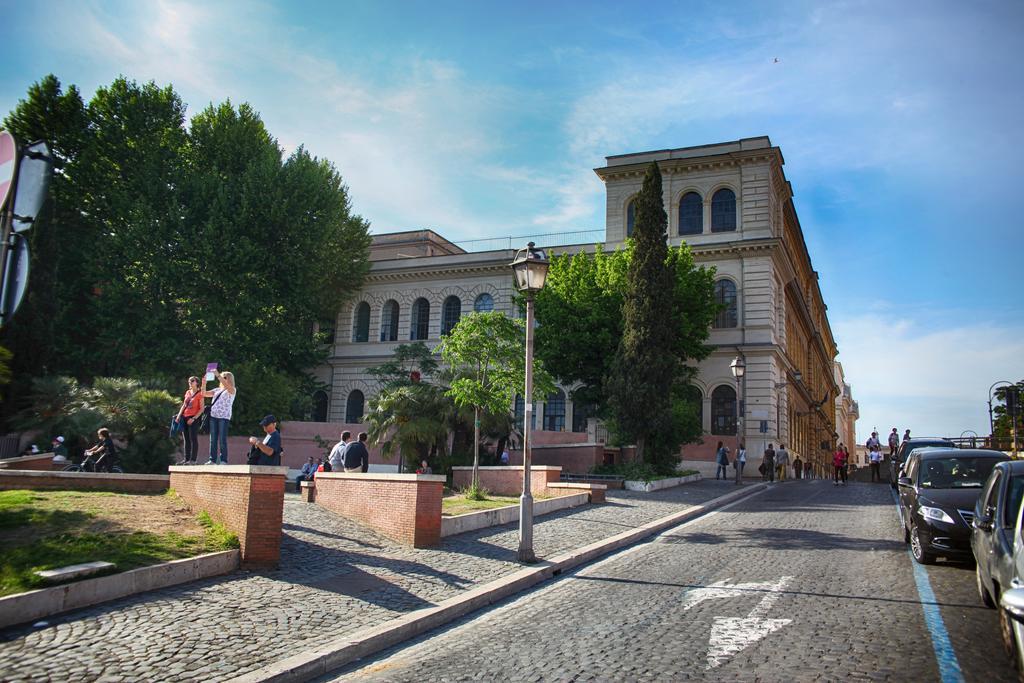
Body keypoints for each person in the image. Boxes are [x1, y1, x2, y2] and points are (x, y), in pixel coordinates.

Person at [202, 370, 236, 465]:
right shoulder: (217, 389)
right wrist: (204, 383)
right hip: (213, 416)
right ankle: (212, 460)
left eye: (224, 377)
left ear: (229, 379)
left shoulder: (232, 389)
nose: (221, 379)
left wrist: (217, 374)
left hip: (224, 418)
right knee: (213, 439)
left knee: (222, 439)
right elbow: (204, 394)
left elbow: (228, 387)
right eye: (221, 377)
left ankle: (223, 460)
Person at [175, 376, 205, 465]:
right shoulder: (188, 392)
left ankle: (193, 460)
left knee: (193, 438)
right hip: (185, 417)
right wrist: (179, 416)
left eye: (192, 381)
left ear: (197, 383)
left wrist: (193, 418)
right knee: (186, 439)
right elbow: (184, 405)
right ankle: (186, 459)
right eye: (189, 381)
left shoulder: (200, 394)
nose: (190, 382)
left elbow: (202, 409)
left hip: (193, 418)